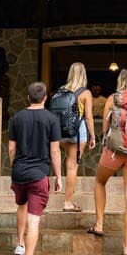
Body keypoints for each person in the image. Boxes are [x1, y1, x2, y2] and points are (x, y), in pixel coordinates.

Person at [89, 69, 127, 255]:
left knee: (100, 181)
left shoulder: (112, 99)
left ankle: (99, 224)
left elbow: (106, 129)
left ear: (119, 81)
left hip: (114, 152)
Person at [8, 81, 63, 255]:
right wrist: (58, 176)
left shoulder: (17, 118)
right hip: (39, 175)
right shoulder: (51, 119)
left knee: (21, 205)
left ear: (28, 98)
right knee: (34, 219)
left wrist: (16, 166)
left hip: (19, 173)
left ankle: (20, 244)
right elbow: (55, 151)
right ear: (46, 98)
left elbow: (11, 149)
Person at [56, 62, 96, 212]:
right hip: (78, 131)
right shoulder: (85, 93)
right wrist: (93, 136)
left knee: (68, 160)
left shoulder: (60, 90)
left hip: (61, 132)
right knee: (72, 166)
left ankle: (63, 190)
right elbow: (89, 117)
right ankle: (67, 202)